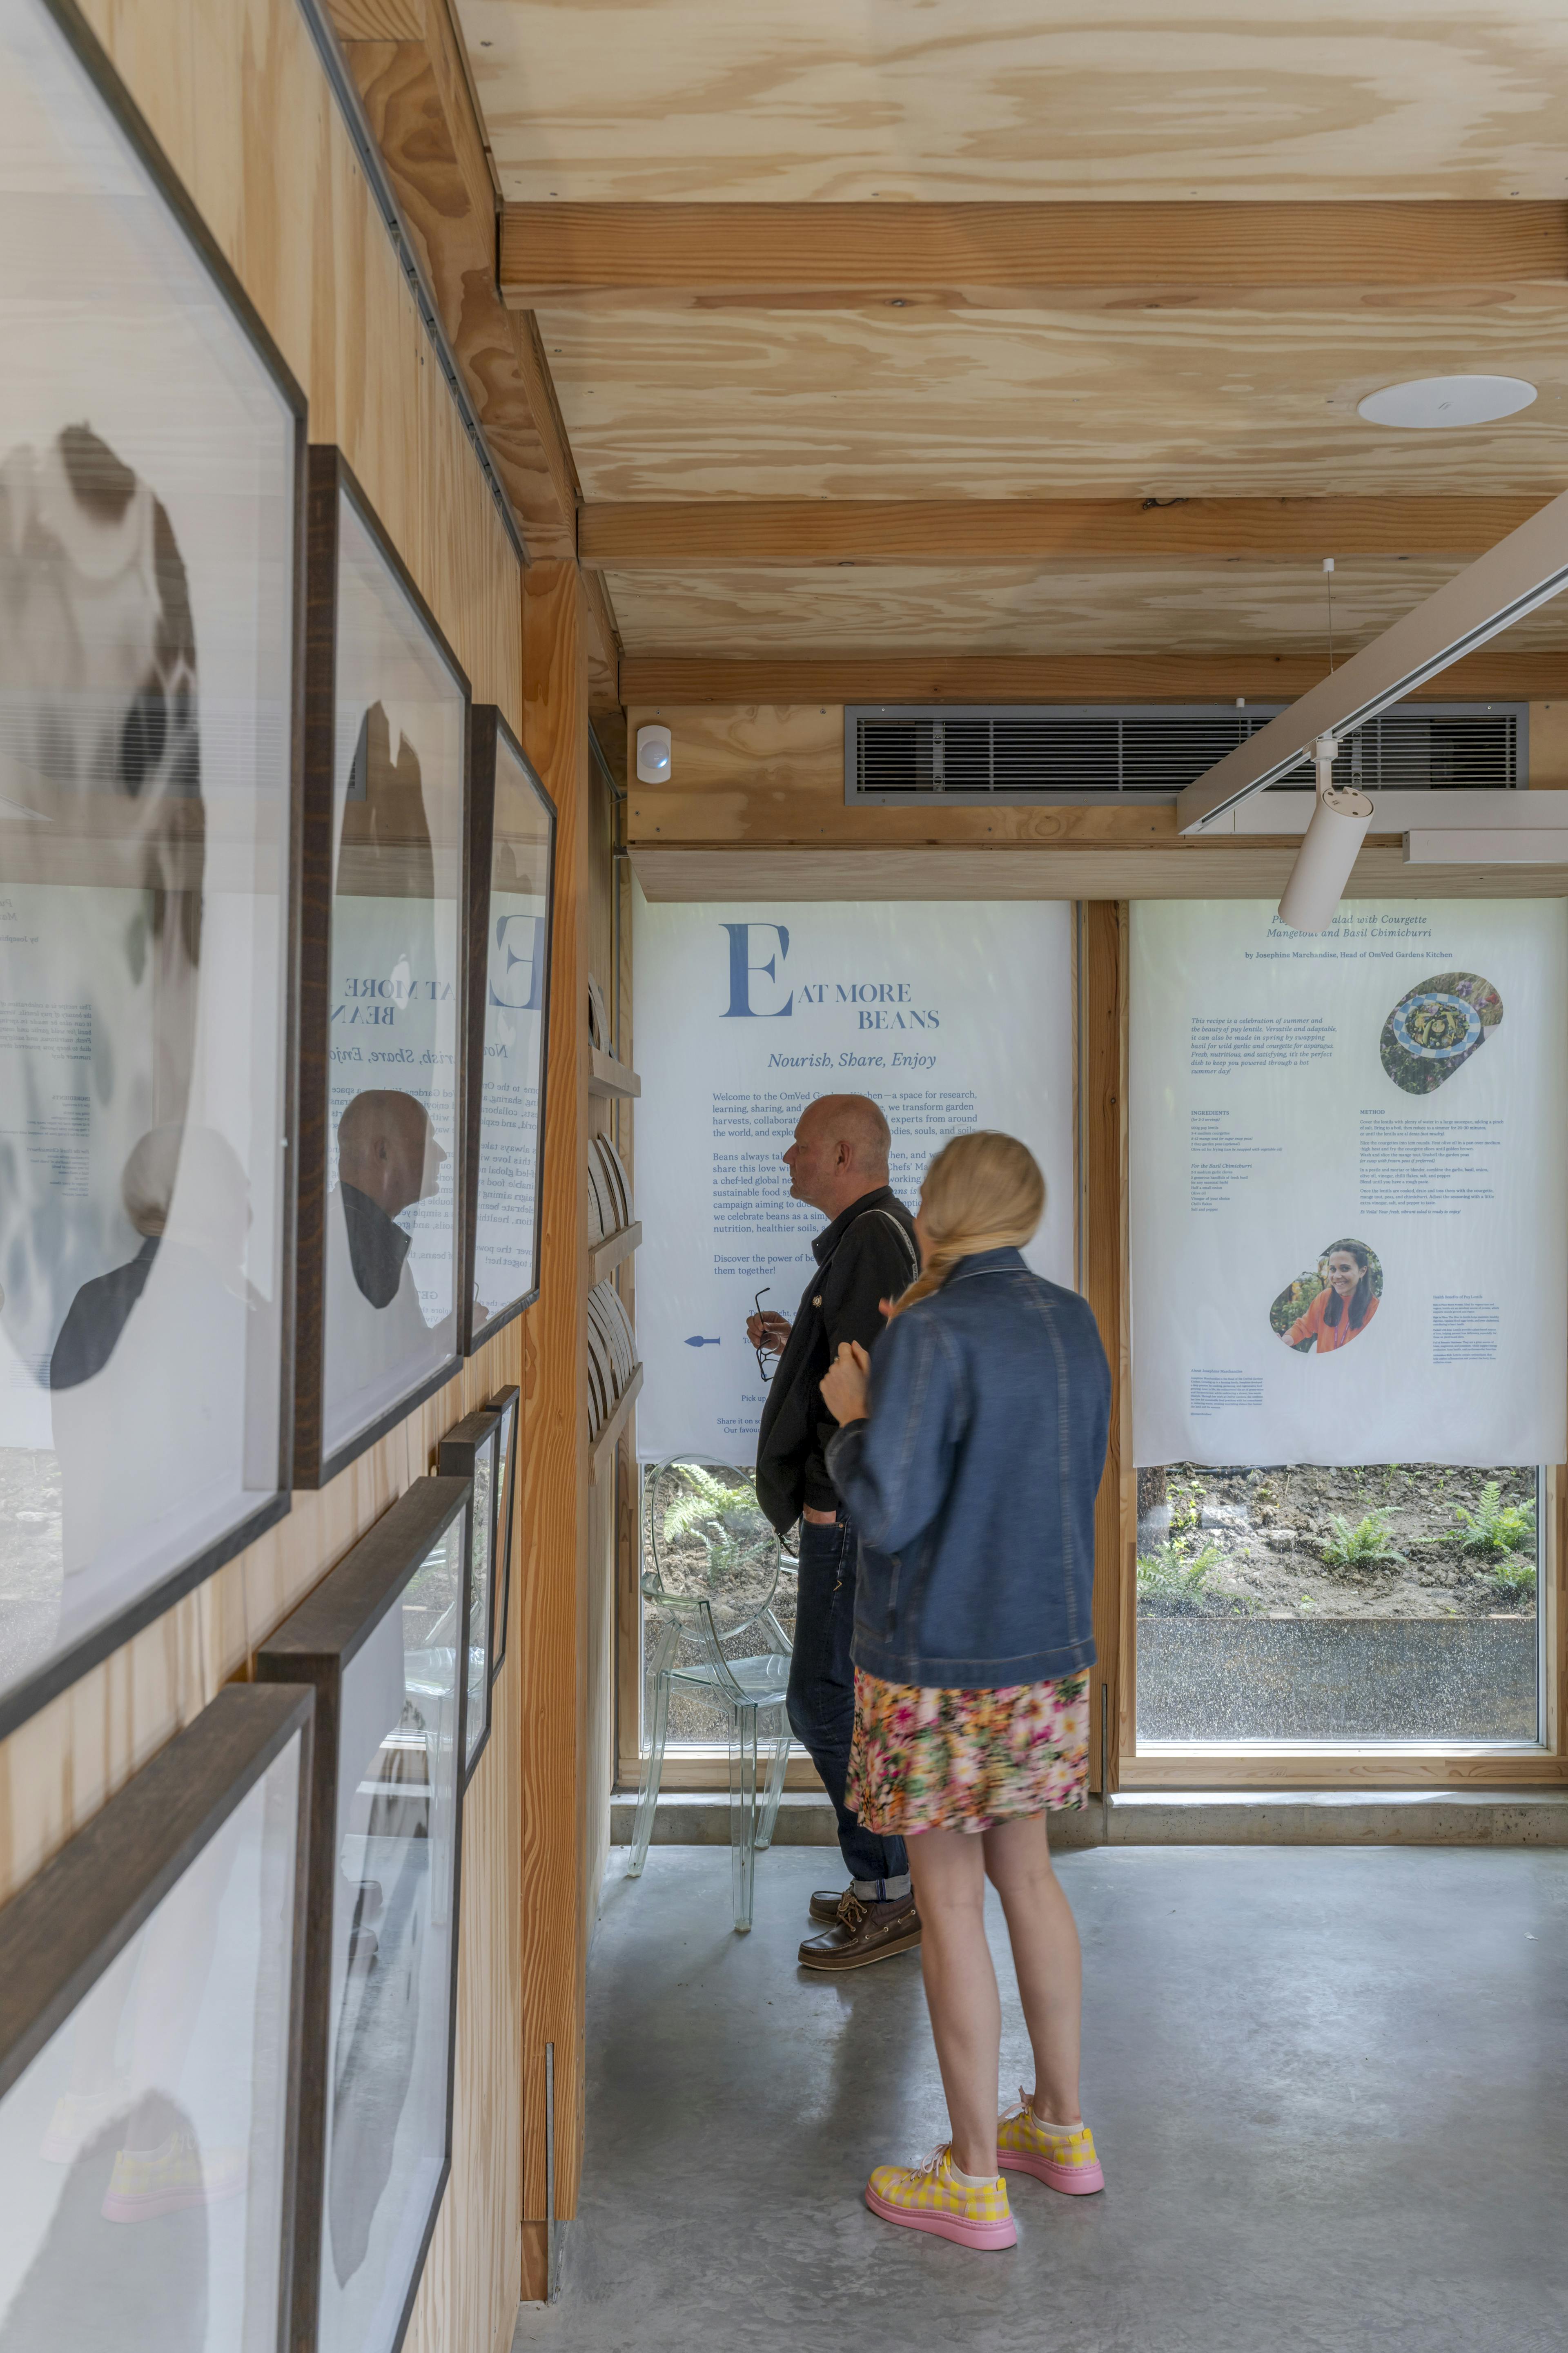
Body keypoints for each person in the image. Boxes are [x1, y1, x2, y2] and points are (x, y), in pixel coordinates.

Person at [818, 1130, 1110, 2252]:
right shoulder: (1072, 1320)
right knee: (1027, 1880)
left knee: (947, 1905)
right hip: (1044, 1656)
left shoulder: (929, 1333)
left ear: (936, 1213)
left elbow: (885, 1512)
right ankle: (1062, 2130)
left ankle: (975, 2180)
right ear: (1026, 1212)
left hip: (937, 1667)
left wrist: (859, 1409)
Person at [744, 1094, 920, 1970]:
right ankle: (884, 1876)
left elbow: (872, 1386)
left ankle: (888, 1890)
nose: (788, 1155)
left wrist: (825, 1497)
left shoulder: (875, 1237)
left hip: (845, 1510)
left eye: (802, 1145)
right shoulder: (869, 1235)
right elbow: (852, 1356)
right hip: (848, 1505)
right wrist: (797, 1337)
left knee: (822, 1699)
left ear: (844, 1154)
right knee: (832, 1697)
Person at [1284, 1239, 1379, 1354]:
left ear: (1362, 1271)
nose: (1337, 1276)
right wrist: (1285, 1340)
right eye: (1333, 1269)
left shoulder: (1374, 1308)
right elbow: (1303, 1327)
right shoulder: (1325, 1297)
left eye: (1345, 1268)